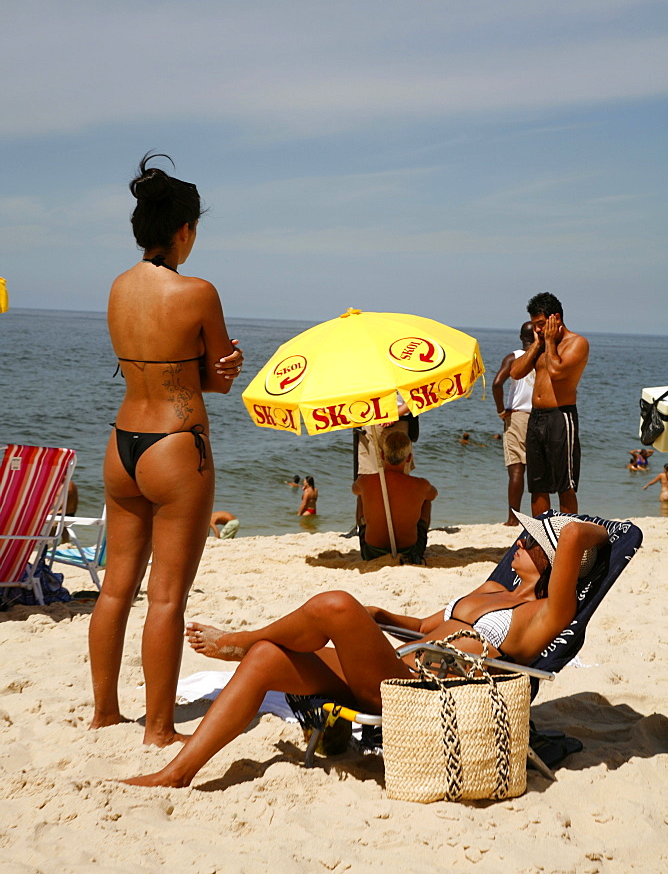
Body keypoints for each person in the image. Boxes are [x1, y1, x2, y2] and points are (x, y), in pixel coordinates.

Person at [122, 511, 609, 787]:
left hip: (422, 693)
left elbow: (579, 536)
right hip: (391, 668)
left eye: (531, 540)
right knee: (268, 658)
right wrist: (380, 616)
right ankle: (179, 772)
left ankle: (241, 638)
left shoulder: (547, 614)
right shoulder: (492, 589)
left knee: (334, 604)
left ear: (555, 561)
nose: (519, 542)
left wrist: (576, 530)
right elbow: (424, 625)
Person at [88, 153, 243, 747]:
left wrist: (205, 370)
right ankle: (157, 730)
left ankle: (104, 713)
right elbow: (215, 378)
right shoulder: (198, 291)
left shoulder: (118, 288)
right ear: (184, 230)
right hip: (176, 445)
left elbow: (151, 369)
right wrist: (224, 367)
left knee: (114, 589)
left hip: (122, 441)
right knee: (168, 597)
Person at [511, 293, 589, 516]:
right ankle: (541, 540)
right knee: (537, 487)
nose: (538, 329)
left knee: (565, 486)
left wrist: (550, 341)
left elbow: (556, 372)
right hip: (536, 417)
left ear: (556, 319)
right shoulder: (541, 345)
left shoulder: (577, 343)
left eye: (541, 324)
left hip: (561, 417)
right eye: (535, 325)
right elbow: (516, 372)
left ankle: (567, 536)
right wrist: (537, 344)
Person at [352, 431, 437, 563]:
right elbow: (433, 494)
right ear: (409, 458)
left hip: (371, 552)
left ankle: (363, 529)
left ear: (381, 455)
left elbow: (354, 489)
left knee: (360, 497)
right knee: (426, 500)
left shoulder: (366, 481)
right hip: (410, 550)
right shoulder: (420, 484)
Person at [492, 321, 535, 527]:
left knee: (517, 470)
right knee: (538, 469)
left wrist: (501, 410)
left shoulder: (513, 357)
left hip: (517, 416)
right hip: (541, 415)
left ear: (520, 337)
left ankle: (513, 518)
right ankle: (539, 516)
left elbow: (497, 383)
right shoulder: (544, 356)